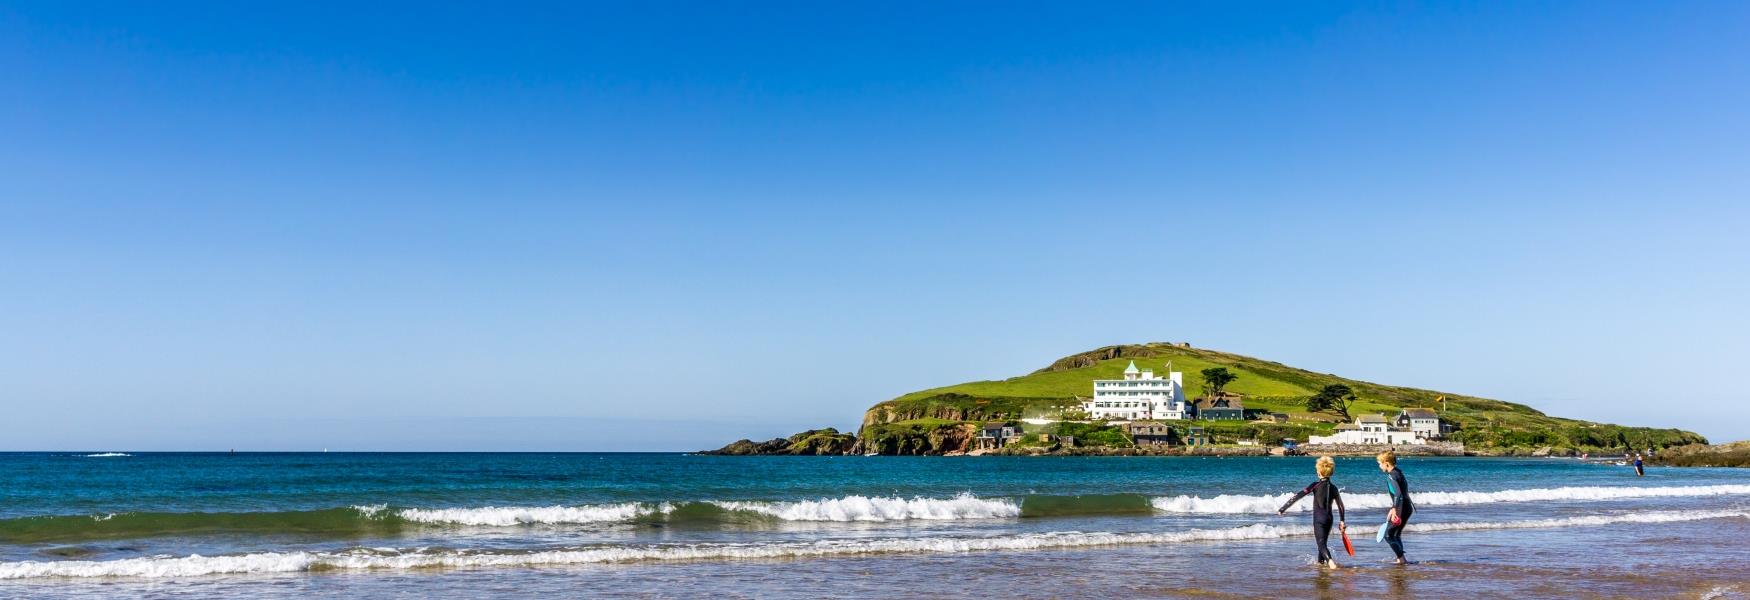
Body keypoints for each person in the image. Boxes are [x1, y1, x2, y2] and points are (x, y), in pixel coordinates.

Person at [1278, 455, 1346, 568]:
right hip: (1329, 519)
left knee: (1320, 543)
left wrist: (1283, 508)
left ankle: (1331, 563)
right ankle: (1321, 565)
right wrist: (1342, 521)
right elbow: (1341, 505)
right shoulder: (1333, 488)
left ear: (1319, 472)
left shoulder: (1315, 485)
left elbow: (1298, 495)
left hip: (1319, 519)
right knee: (1323, 543)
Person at [1378, 450, 1414, 565]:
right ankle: (1400, 559)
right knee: (1396, 534)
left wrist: (1394, 509)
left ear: (1386, 463)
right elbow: (1403, 492)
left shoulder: (1391, 476)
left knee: (1388, 535)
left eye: (1380, 463)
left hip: (1401, 508)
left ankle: (1402, 559)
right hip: (1407, 507)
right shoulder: (1399, 472)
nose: (1379, 466)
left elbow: (1398, 494)